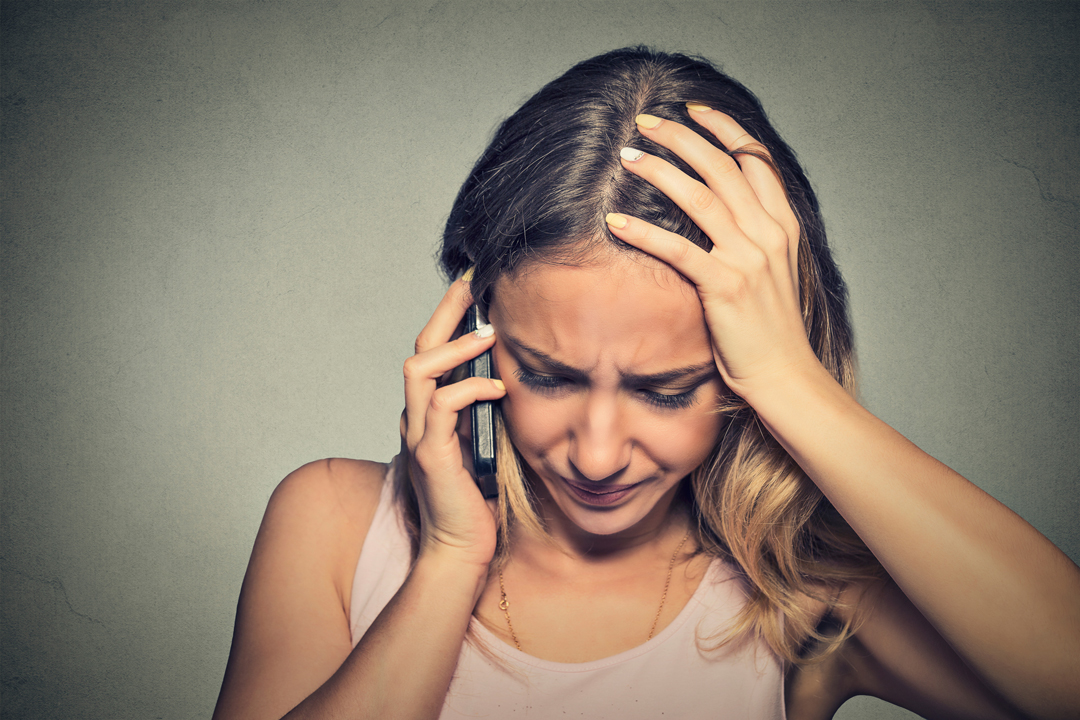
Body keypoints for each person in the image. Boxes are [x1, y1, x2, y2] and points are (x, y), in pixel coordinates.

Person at [211, 47, 1080, 720]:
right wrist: (448, 560)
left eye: (666, 390)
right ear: (477, 337)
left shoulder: (800, 597)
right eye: (546, 375)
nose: (595, 454)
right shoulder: (331, 524)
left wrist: (791, 378)